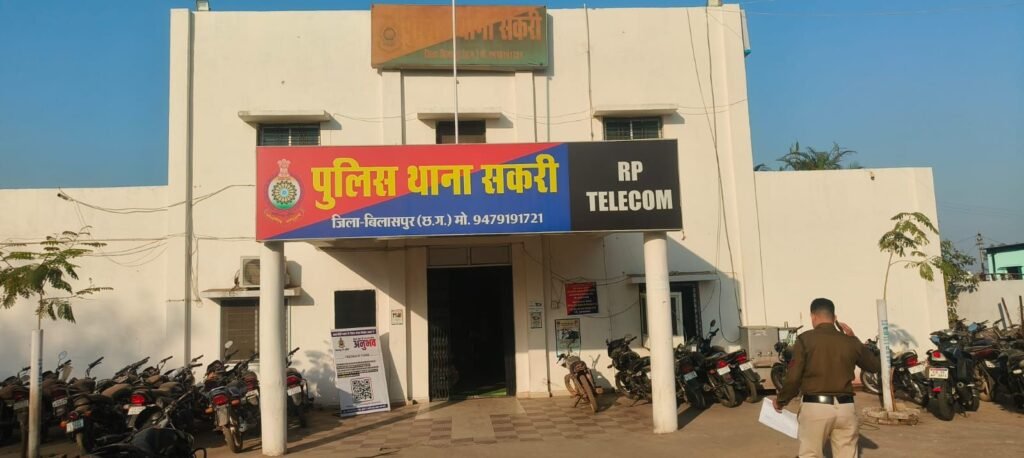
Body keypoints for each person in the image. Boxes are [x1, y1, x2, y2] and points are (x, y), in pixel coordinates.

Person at [773, 298, 881, 458]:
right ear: (835, 318)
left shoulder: (805, 339)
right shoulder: (849, 341)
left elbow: (793, 378)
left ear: (813, 316)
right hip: (846, 408)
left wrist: (781, 401)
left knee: (810, 454)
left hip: (815, 408)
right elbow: (874, 366)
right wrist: (854, 339)